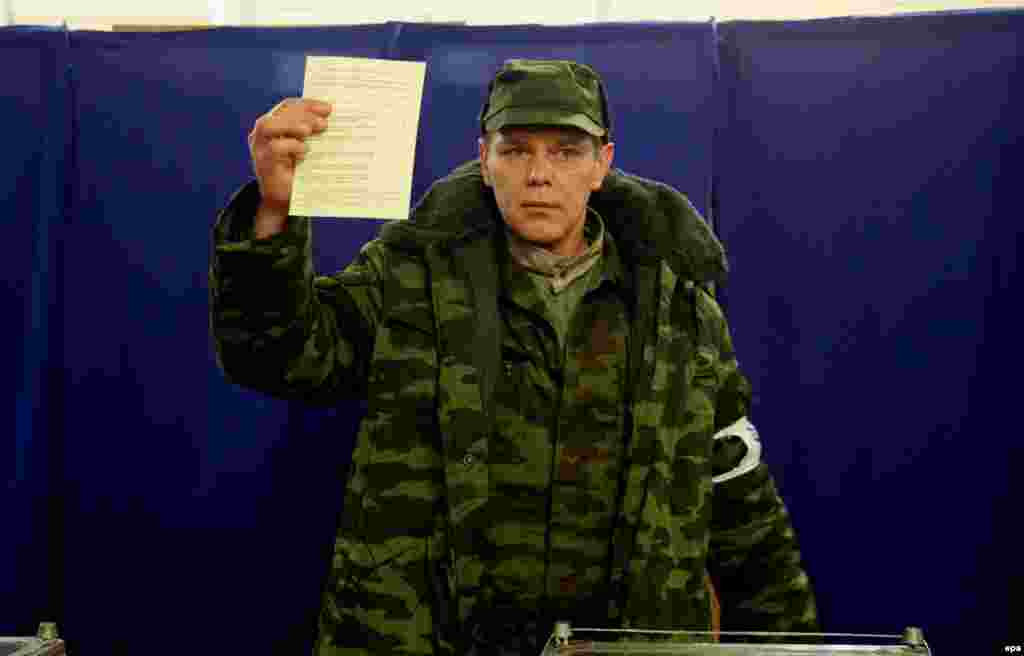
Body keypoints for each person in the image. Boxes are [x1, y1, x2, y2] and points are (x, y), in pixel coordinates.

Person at [209, 59, 818, 655]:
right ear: (484, 160)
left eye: (566, 152)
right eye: (516, 150)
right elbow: (279, 355)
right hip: (427, 632)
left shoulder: (678, 310)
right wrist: (273, 213)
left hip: (617, 638)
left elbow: (741, 501)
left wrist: (787, 639)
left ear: (602, 165)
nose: (539, 175)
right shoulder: (411, 277)